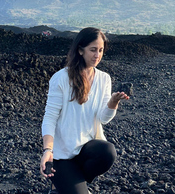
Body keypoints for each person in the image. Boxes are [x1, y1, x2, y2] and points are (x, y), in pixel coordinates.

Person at [40, 27, 129, 194]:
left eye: (101, 50)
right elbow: (50, 118)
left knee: (108, 151)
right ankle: (62, 182)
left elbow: (103, 118)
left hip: (85, 151)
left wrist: (113, 102)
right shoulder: (61, 78)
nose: (97, 55)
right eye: (93, 50)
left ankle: (64, 184)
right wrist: (48, 151)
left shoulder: (104, 78)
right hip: (61, 156)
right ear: (80, 50)